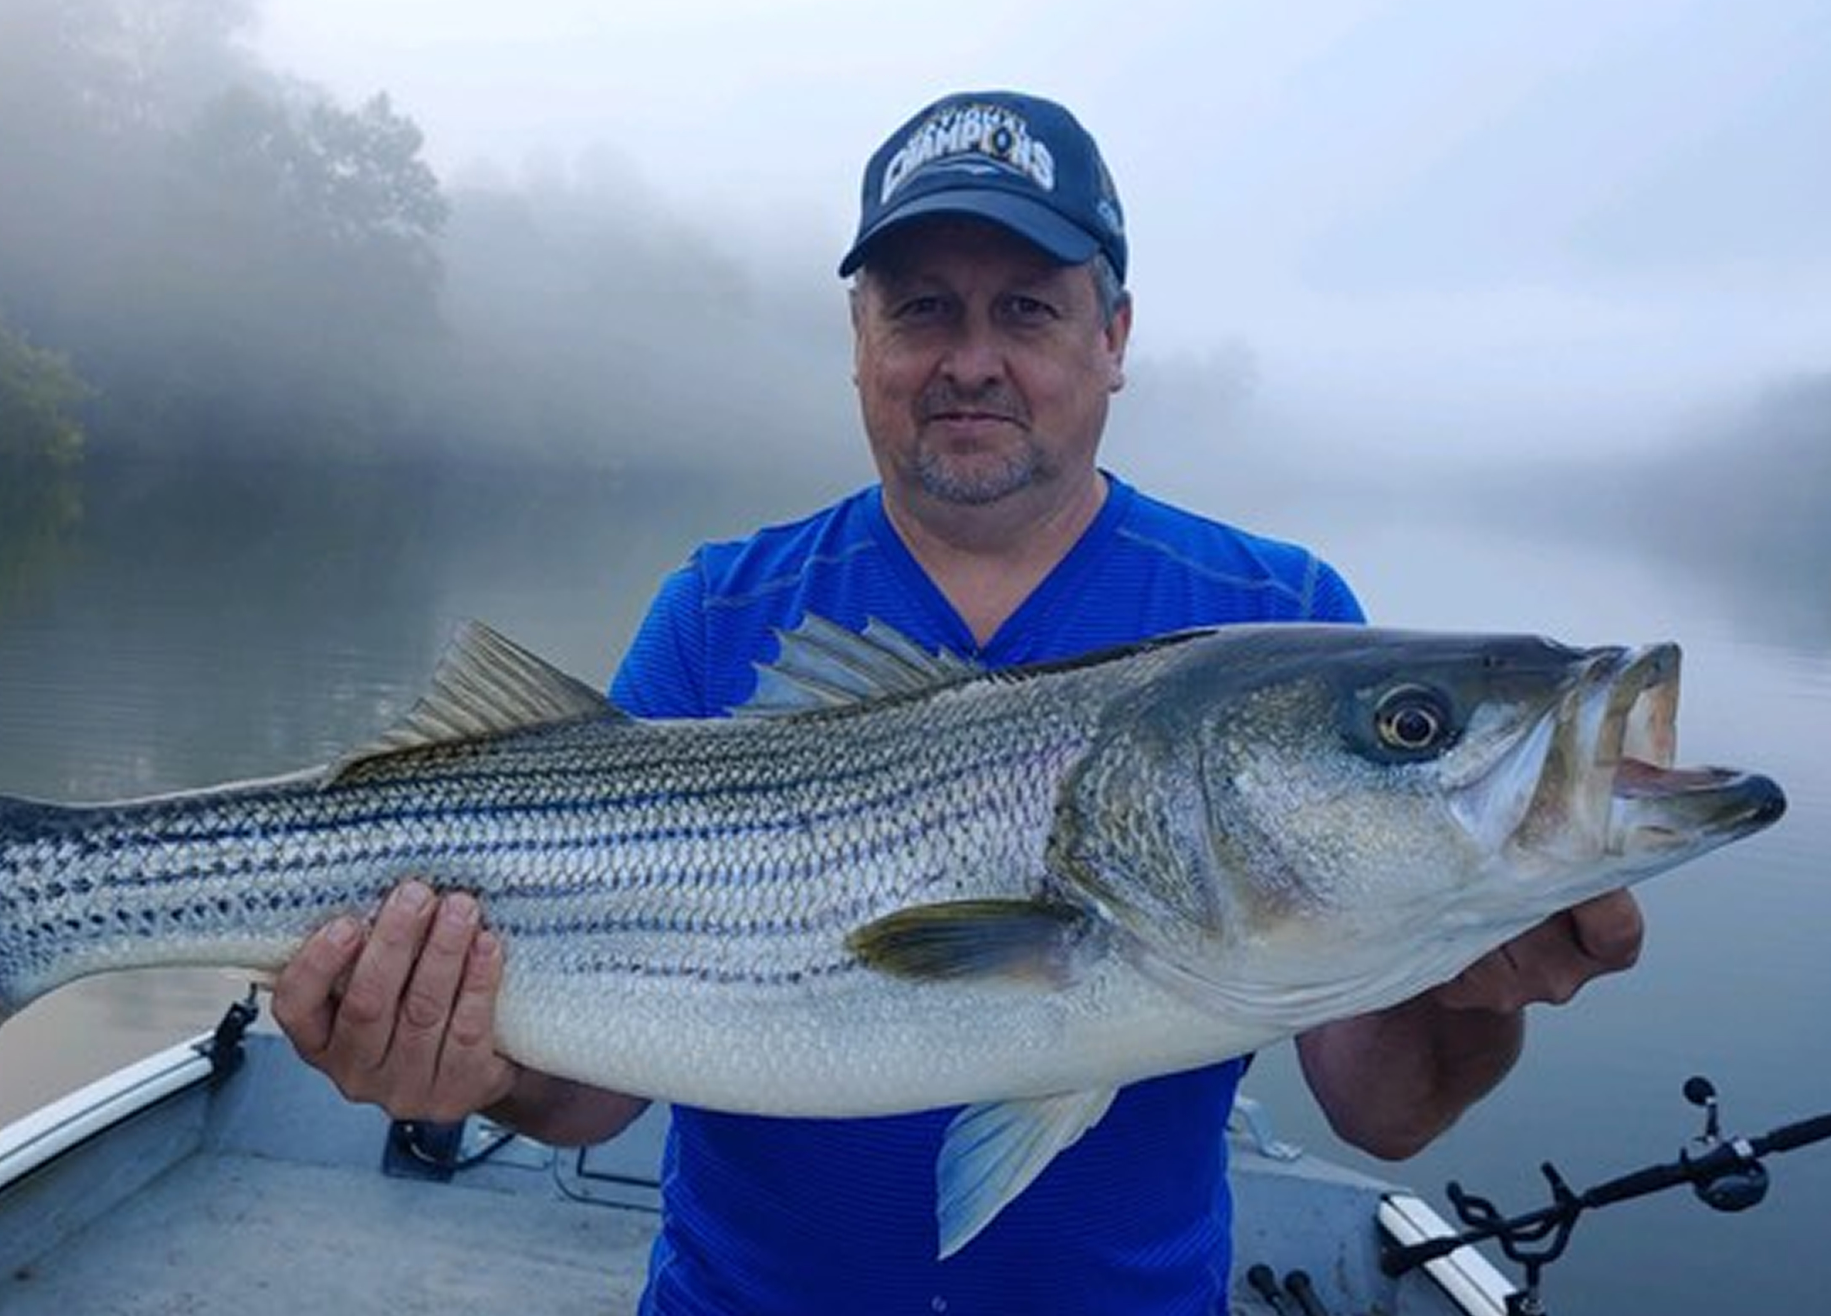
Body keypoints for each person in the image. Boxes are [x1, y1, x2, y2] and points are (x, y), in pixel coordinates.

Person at [269, 90, 1645, 1313]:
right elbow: (592, 1094)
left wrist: (1478, 978)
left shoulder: (1277, 614)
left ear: (1112, 338)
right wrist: (468, 1064)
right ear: (859, 341)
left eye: (1026, 308)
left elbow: (1384, 1113)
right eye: (922, 306)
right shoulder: (723, 607)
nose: (970, 357)